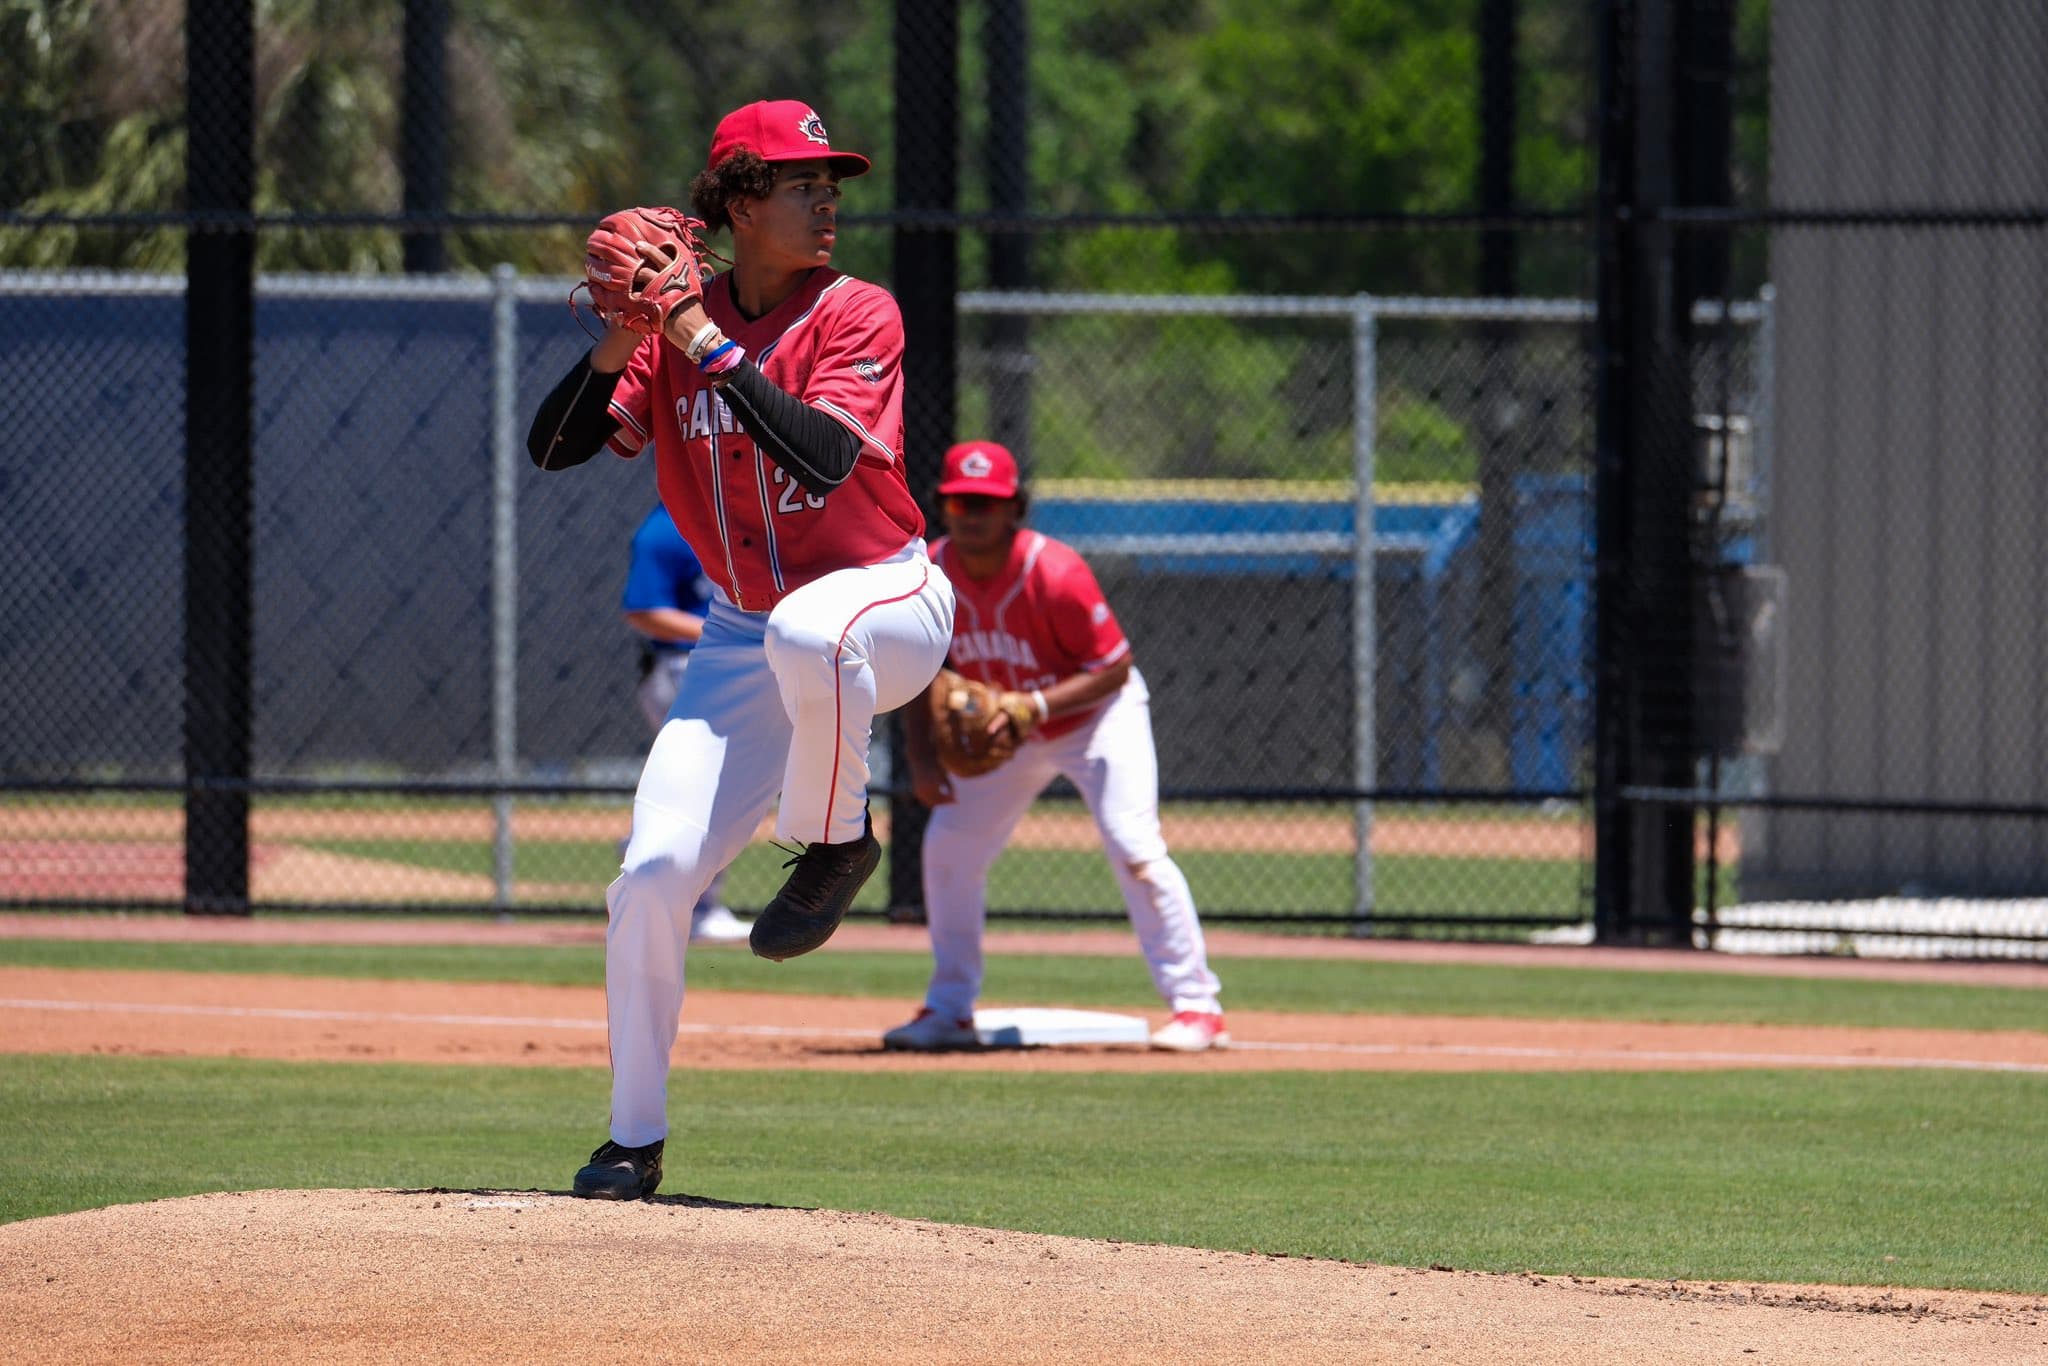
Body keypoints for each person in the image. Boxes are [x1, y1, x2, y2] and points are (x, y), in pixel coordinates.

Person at [526, 99, 956, 1200]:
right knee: (653, 874)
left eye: (831, 185)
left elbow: (818, 460)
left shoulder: (857, 312)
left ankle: (835, 842)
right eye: (801, 183)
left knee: (816, 630)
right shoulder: (674, 336)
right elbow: (557, 448)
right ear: (737, 200)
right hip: (738, 634)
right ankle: (631, 1137)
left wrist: (698, 338)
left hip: (884, 596)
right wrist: (628, 333)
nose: (826, 202)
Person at [885, 441, 1227, 1054]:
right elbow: (918, 669)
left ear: (1016, 507)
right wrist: (924, 757)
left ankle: (1198, 1008)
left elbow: (1115, 668)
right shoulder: (927, 575)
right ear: (943, 505)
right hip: (1007, 732)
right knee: (948, 850)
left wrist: (1034, 707)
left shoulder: (1055, 571)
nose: (973, 514)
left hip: (1095, 722)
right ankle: (949, 1007)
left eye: (988, 503)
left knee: (1135, 847)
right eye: (961, 502)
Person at [619, 503, 748, 945]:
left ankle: (650, 865)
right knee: (706, 790)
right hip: (682, 667)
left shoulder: (737, 516)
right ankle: (687, 900)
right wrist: (726, 631)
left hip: (725, 664)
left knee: (721, 789)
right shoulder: (664, 528)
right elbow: (644, 610)